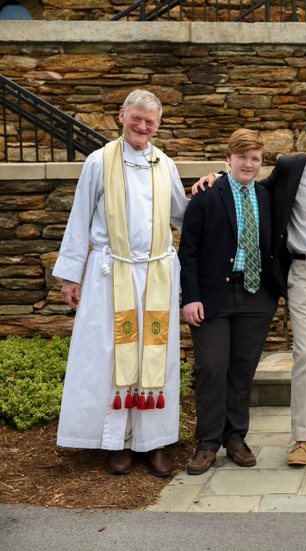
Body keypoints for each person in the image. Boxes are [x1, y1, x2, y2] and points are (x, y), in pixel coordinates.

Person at [194, 105, 306, 467]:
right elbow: (248, 187)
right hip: (303, 272)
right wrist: (214, 175)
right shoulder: (291, 167)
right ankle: (301, 438)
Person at [53, 89, 188, 477]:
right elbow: (79, 218)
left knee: (155, 354)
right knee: (115, 354)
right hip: (111, 274)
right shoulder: (100, 161)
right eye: (136, 118)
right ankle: (119, 444)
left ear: (158, 126)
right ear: (121, 116)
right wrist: (70, 276)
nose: (142, 127)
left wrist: (215, 190)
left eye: (150, 122)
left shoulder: (165, 165)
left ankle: (154, 443)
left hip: (157, 275)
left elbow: (184, 215)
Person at [178, 129, 282, 475]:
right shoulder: (207, 195)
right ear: (229, 159)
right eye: (242, 158)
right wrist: (190, 297)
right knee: (210, 369)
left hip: (256, 295)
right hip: (213, 298)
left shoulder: (267, 195)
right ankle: (207, 443)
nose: (249, 164)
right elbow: (188, 251)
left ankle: (235, 437)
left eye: (255, 158)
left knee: (242, 371)